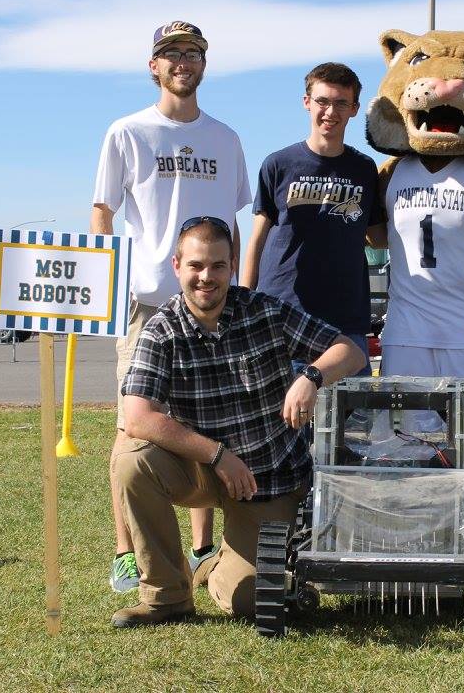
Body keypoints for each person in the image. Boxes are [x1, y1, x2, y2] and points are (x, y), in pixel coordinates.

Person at [111, 217, 365, 627]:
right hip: (205, 468)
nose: (206, 277)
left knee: (252, 598)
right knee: (132, 461)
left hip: (269, 478)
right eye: (195, 266)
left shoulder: (264, 311)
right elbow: (139, 417)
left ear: (232, 265)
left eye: (217, 265)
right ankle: (166, 596)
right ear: (177, 266)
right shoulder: (160, 331)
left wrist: (310, 378)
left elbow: (349, 351)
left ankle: (213, 567)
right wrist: (217, 455)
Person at [91, 21, 251, 593]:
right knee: (133, 430)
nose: (182, 62)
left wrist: (242, 289)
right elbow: (103, 211)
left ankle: (203, 547)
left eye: (192, 53)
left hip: (214, 304)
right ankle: (125, 551)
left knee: (205, 420)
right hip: (148, 304)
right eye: (171, 54)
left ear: (204, 65)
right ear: (153, 65)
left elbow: (232, 223)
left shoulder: (225, 139)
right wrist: (108, 285)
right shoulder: (127, 132)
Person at [243, 62, 381, 376]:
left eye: (341, 103)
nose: (330, 111)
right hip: (282, 315)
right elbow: (257, 241)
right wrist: (244, 303)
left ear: (354, 109)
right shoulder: (278, 164)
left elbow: (379, 236)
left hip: (345, 322)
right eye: (322, 101)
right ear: (307, 102)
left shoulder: (364, 169)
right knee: (286, 422)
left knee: (349, 424)